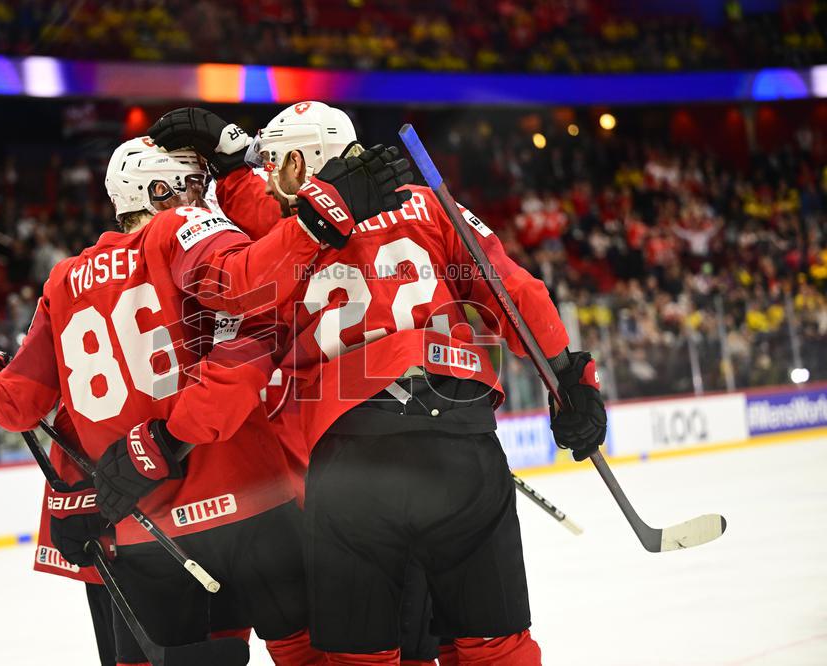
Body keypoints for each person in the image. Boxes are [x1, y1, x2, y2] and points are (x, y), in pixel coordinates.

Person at [151, 103, 607, 665]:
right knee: (497, 647)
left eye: (274, 164)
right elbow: (512, 290)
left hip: (352, 453)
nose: (267, 179)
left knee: (360, 658)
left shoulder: (288, 233)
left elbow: (251, 252)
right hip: (460, 435)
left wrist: (230, 165)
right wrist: (567, 377)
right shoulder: (430, 207)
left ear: (297, 163)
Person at [0, 138, 410, 665]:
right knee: (311, 652)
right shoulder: (178, 232)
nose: (204, 198)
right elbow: (246, 285)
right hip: (248, 500)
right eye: (194, 184)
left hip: (145, 528)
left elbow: (18, 404)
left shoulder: (63, 280)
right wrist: (317, 216)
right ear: (158, 190)